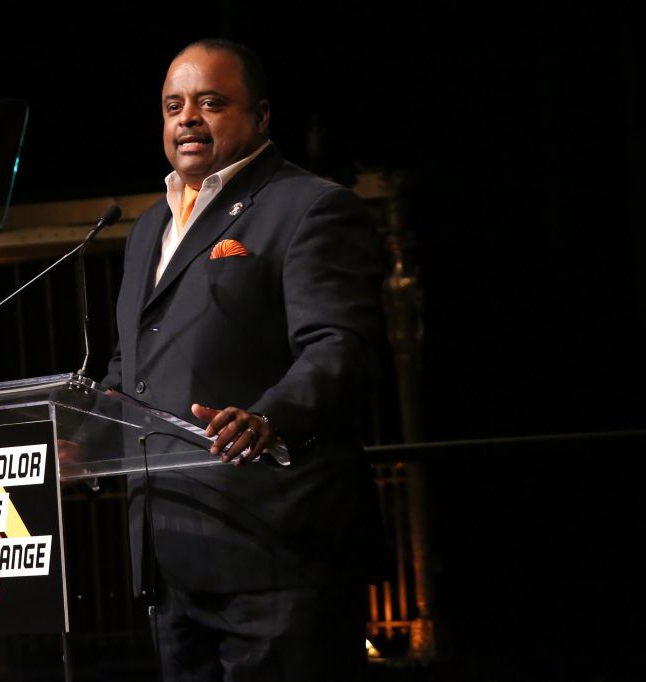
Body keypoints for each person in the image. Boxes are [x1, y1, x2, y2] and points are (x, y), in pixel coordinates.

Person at [100, 38, 387, 681]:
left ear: (260, 116)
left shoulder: (308, 206)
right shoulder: (149, 227)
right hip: (171, 559)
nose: (187, 119)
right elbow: (132, 363)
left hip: (278, 551)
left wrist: (268, 418)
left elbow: (340, 346)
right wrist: (82, 432)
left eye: (211, 102)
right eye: (173, 106)